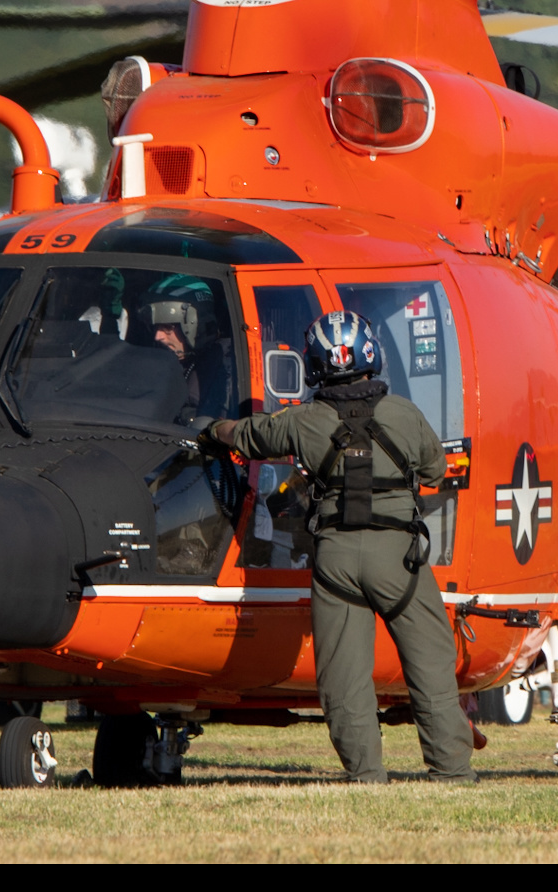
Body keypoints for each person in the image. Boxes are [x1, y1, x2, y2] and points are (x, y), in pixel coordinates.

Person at [204, 310, 473, 784]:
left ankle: (366, 775)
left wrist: (212, 429)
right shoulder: (404, 414)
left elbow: (247, 437)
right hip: (400, 558)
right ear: (372, 356)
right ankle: (451, 771)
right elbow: (434, 472)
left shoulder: (303, 422)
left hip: (337, 561)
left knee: (344, 677)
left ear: (315, 365)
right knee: (430, 665)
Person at [142, 274, 235, 421]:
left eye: (167, 327)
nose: (158, 336)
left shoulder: (225, 370)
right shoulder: (157, 363)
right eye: (155, 327)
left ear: (196, 325)